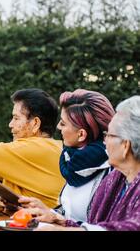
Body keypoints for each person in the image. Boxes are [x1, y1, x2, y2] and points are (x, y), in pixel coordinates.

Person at [26, 95, 140, 231]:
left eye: (109, 135)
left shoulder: (109, 174)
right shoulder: (116, 179)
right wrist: (57, 218)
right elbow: (95, 225)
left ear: (125, 145)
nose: (104, 141)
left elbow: (133, 227)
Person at [19, 89, 114, 223]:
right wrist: (48, 211)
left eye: (63, 123)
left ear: (81, 135)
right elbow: (70, 216)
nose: (58, 126)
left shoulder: (113, 172)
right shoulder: (74, 161)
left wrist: (58, 219)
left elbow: (105, 226)